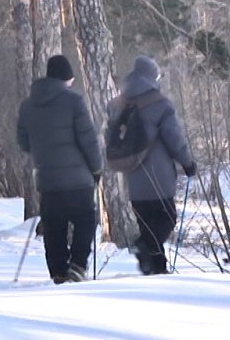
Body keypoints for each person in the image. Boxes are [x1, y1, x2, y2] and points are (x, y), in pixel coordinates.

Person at [17, 55, 102, 284]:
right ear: (67, 78)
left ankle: (58, 271)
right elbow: (89, 140)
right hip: (78, 180)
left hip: (48, 180)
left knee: (54, 227)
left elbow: (23, 143)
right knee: (86, 220)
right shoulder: (74, 101)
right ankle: (77, 265)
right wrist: (97, 169)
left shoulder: (27, 105)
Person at [107, 55, 196, 275]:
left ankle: (156, 269)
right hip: (159, 177)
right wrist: (188, 163)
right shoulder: (160, 104)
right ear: (152, 77)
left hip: (133, 177)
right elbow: (174, 138)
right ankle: (144, 246)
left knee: (147, 222)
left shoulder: (119, 104)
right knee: (166, 219)